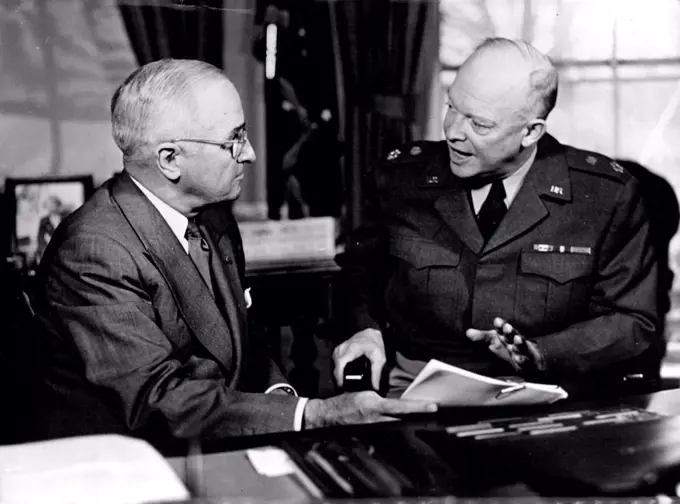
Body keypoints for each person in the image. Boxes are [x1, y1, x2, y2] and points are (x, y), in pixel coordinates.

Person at [30, 59, 435, 452]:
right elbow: (158, 401)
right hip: (129, 466)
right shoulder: (94, 250)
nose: (250, 154)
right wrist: (313, 414)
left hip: (210, 442)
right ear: (170, 159)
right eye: (234, 140)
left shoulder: (213, 213)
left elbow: (240, 341)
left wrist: (281, 395)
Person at [333, 38, 662, 398]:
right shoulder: (399, 180)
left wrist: (539, 353)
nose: (453, 131)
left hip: (551, 399)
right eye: (452, 107)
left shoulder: (605, 196)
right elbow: (359, 274)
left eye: (479, 123)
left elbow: (632, 322)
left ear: (531, 131)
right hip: (413, 397)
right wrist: (363, 329)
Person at [35, 195, 63, 264]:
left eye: (53, 204)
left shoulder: (65, 218)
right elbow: (40, 239)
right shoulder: (44, 221)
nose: (51, 206)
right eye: (50, 204)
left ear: (57, 205)